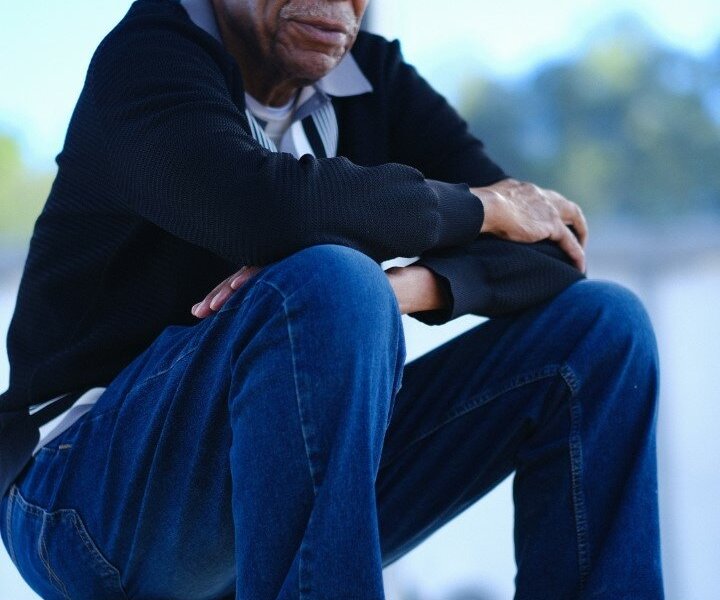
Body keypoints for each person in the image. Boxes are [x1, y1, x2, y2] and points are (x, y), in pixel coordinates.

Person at [0, 0, 663, 598]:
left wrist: (397, 290)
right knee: (332, 281)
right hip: (84, 495)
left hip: (289, 477)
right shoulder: (150, 54)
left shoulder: (371, 78)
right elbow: (266, 208)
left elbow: (550, 249)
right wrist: (479, 209)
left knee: (602, 330)